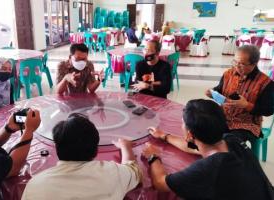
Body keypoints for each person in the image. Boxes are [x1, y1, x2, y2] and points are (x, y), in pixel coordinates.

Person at [142, 99, 274, 200]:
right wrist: (164, 136)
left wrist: (153, 157)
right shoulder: (232, 140)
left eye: (183, 123)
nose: (181, 125)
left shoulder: (207, 169)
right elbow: (194, 149)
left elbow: (160, 183)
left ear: (190, 134)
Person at [22, 113, 142, 200]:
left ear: (57, 149)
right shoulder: (113, 173)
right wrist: (125, 146)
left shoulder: (35, 186)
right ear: (95, 149)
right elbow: (134, 171)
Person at [205, 45, 274, 142]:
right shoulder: (228, 74)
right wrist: (212, 92)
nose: (237, 66)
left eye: (242, 64)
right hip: (224, 117)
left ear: (254, 64)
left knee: (229, 140)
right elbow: (220, 90)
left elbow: (268, 110)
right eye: (235, 62)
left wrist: (246, 105)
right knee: (201, 127)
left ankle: (229, 155)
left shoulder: (265, 82)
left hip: (247, 124)